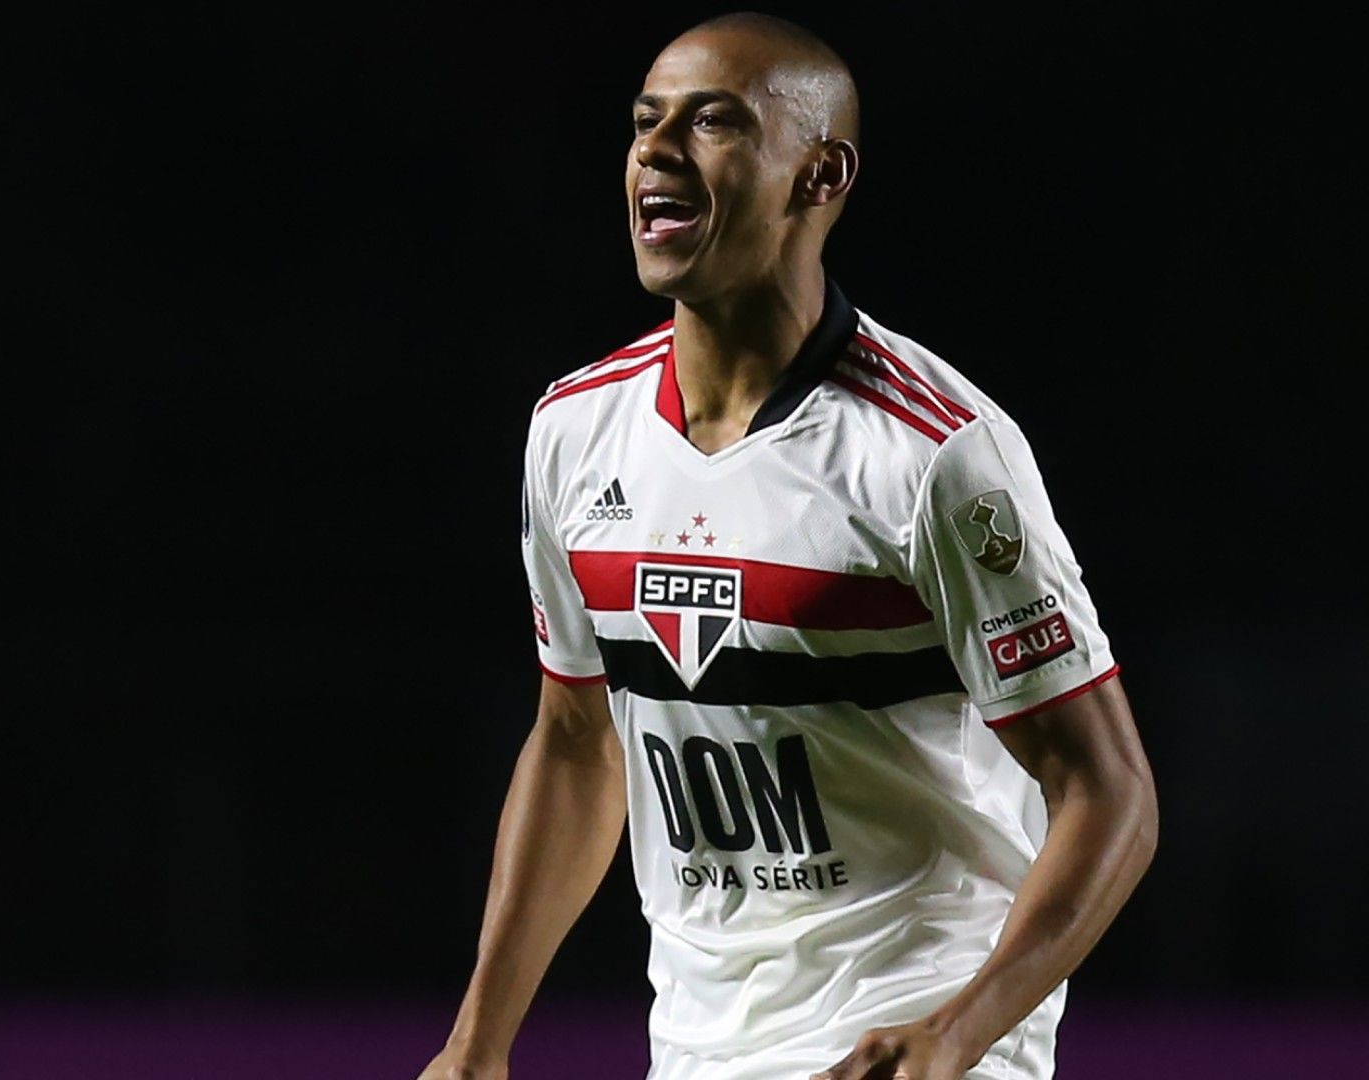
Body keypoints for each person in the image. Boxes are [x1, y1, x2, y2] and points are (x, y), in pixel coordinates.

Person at [420, 14, 1157, 1080]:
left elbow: (1109, 790)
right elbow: (578, 744)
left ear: (822, 174)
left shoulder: (935, 456)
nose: (656, 149)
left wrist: (958, 1033)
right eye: (644, 121)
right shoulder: (575, 431)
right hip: (698, 1045)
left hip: (915, 1027)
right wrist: (477, 1044)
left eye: (712, 121)